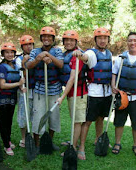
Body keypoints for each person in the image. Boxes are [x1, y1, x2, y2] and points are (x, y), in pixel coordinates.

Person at [72, 27, 112, 160]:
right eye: (99, 38)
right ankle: (81, 147)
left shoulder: (109, 54)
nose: (102, 40)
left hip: (106, 93)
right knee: (88, 121)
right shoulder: (91, 53)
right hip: (94, 93)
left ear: (108, 40)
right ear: (95, 40)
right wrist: (79, 54)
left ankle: (98, 139)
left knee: (101, 118)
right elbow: (85, 57)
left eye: (105, 38)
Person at [25, 26, 63, 151]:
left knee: (53, 116)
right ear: (41, 38)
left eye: (49, 37)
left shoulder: (57, 51)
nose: (47, 39)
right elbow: (29, 65)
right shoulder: (35, 52)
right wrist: (39, 58)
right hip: (40, 89)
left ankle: (48, 141)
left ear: (53, 39)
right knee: (38, 116)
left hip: (54, 89)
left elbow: (61, 64)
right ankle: (37, 143)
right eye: (44, 37)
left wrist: (48, 55)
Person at [111, 32, 136, 156]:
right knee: (119, 121)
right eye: (130, 40)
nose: (132, 43)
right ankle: (117, 143)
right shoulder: (120, 58)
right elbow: (114, 73)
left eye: (135, 40)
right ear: (127, 43)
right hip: (122, 96)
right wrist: (113, 85)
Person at [56, 30, 88, 159]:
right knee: (75, 121)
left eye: (71, 40)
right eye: (66, 40)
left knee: (77, 122)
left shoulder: (78, 56)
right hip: (72, 94)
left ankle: (73, 148)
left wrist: (62, 97)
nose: (68, 42)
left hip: (78, 94)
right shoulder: (67, 55)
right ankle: (73, 142)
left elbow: (72, 78)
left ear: (76, 42)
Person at [0, 42, 25, 156]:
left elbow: (19, 80)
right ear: (3, 54)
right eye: (7, 52)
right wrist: (18, 83)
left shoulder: (15, 66)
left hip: (12, 98)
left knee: (9, 122)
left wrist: (21, 87)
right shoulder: (2, 67)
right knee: (4, 123)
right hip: (1, 99)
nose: (10, 54)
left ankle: (7, 140)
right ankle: (6, 146)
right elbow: (2, 85)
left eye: (12, 52)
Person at [15, 35, 35, 148]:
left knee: (33, 113)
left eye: (30, 44)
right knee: (23, 114)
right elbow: (22, 76)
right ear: (22, 47)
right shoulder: (18, 60)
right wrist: (23, 63)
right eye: (26, 45)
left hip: (35, 89)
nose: (28, 47)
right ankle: (23, 138)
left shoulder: (36, 56)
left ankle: (31, 135)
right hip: (24, 89)